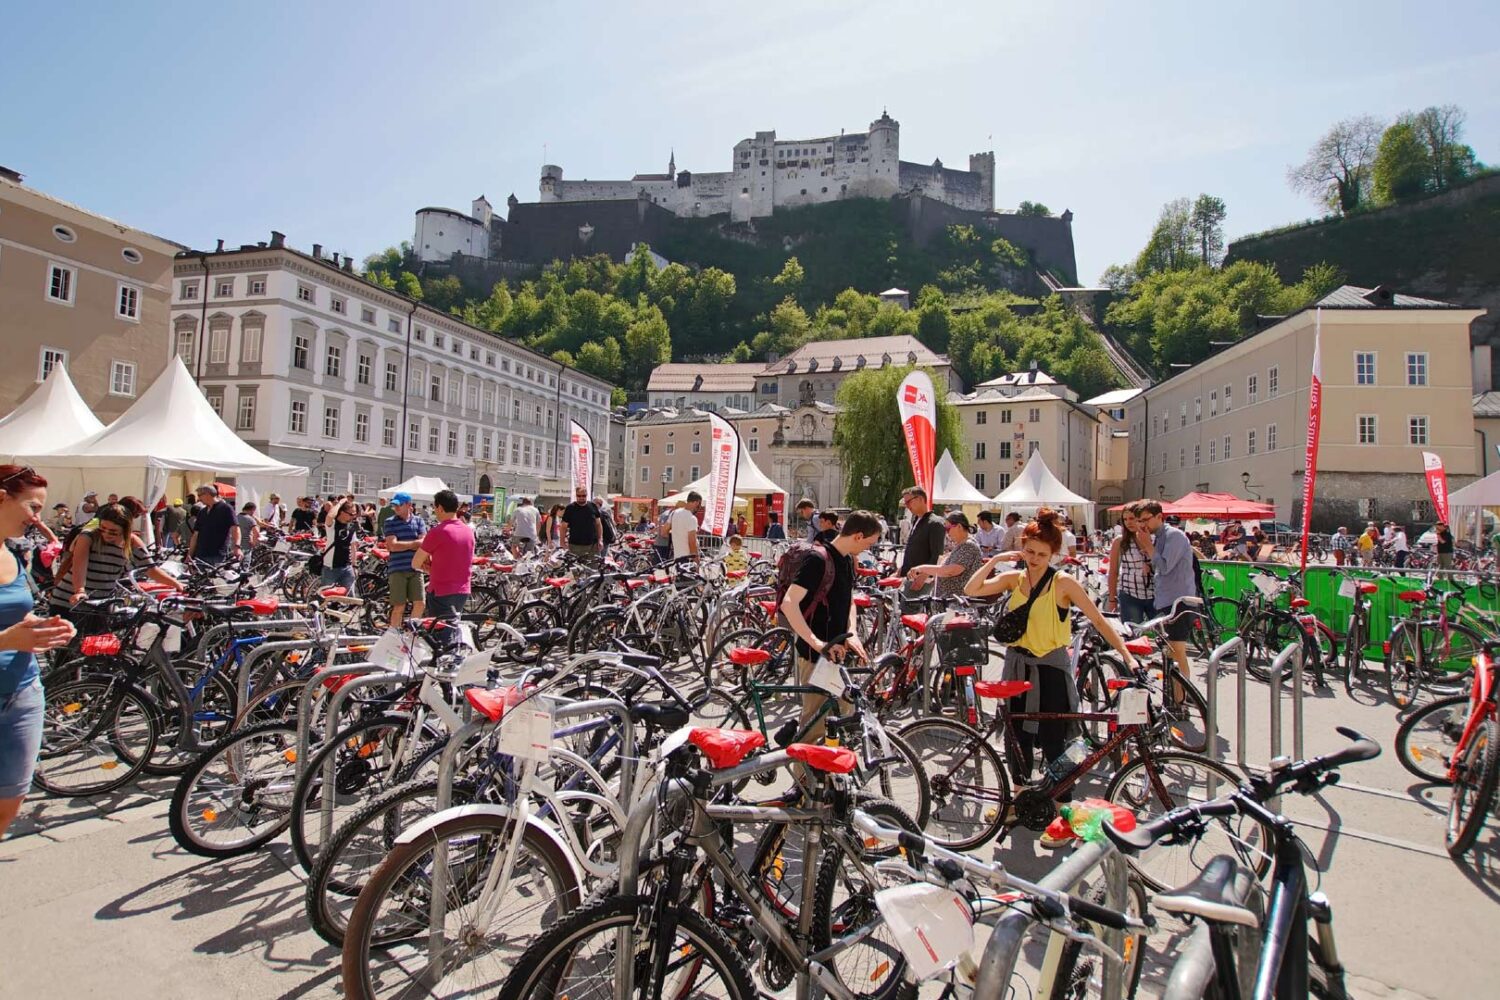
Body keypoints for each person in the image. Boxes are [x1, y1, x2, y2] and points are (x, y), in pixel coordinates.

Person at [964, 508, 1139, 847]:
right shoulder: (1015, 578)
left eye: (1041, 555)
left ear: (1053, 555)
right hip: (1017, 666)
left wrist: (1127, 656)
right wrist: (996, 559)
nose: (1033, 559)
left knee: (1056, 742)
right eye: (1029, 551)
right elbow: (973, 588)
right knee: (1016, 738)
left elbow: (1099, 620)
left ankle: (1062, 815)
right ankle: (1019, 800)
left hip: (1050, 669)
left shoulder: (1063, 583)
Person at [0, 465, 77, 838]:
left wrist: (41, 626)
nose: (37, 518)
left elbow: (15, 615)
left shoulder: (11, 553)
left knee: (9, 802)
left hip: (23, 692)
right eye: (32, 507)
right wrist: (6, 640)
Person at [779, 510, 884, 745]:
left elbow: (849, 600)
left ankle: (829, 765)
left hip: (838, 654)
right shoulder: (818, 559)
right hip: (816, 657)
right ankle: (802, 769)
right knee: (814, 726)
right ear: (858, 536)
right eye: (869, 543)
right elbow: (789, 603)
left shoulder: (846, 559)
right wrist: (818, 644)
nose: (868, 549)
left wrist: (852, 633)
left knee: (841, 718)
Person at [49, 503, 180, 613]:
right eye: (102, 528)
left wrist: (177, 585)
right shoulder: (88, 537)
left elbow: (151, 570)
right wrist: (79, 590)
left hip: (101, 605)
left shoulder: (132, 542)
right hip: (68, 601)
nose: (106, 534)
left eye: (113, 532)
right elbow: (79, 567)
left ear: (125, 530)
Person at [1131, 501, 1196, 691]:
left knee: (1177, 651)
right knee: (1170, 653)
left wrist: (1148, 546)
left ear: (1160, 516)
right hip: (1166, 600)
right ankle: (1175, 697)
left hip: (1179, 601)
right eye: (1139, 521)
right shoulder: (1159, 537)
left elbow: (1165, 567)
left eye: (1145, 520)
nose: (1143, 525)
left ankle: (1181, 698)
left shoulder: (1173, 535)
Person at [413, 490, 475, 618]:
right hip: (463, 589)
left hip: (441, 590)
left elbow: (415, 563)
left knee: (440, 628)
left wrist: (429, 567)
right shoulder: (468, 531)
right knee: (453, 625)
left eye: (434, 507)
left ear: (440, 508)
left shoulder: (437, 532)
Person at [906, 511, 985, 600]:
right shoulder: (962, 545)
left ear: (959, 526)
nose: (947, 533)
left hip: (957, 604)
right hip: (949, 602)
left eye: (948, 529)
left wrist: (922, 568)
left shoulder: (968, 546)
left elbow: (950, 571)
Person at [383, 492, 426, 627]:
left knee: (420, 603)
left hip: (416, 568)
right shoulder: (390, 522)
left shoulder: (419, 521)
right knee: (399, 606)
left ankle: (411, 632)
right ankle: (394, 633)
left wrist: (403, 545)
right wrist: (414, 544)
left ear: (408, 505)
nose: (396, 508)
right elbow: (392, 546)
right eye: (394, 505)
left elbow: (423, 543)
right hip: (397, 568)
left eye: (399, 505)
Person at [1106, 506, 1154, 624]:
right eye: (1125, 519)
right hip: (1130, 594)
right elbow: (1113, 572)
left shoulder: (1154, 538)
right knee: (1133, 632)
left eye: (1131, 518)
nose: (1128, 522)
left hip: (1155, 594)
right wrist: (1112, 600)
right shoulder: (1120, 541)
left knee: (1161, 632)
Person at [898, 487, 945, 588]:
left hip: (922, 581)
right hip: (909, 577)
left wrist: (923, 576)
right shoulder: (917, 520)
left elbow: (937, 555)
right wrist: (900, 570)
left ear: (920, 499)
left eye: (909, 502)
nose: (907, 506)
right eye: (905, 503)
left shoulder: (935, 523)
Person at [187, 484, 239, 566]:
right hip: (201, 555)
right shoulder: (202, 512)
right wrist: (189, 554)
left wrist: (237, 547)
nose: (199, 498)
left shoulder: (226, 508)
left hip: (218, 555)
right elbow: (195, 535)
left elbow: (235, 528)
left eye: (200, 495)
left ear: (207, 494)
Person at [319, 498, 362, 592]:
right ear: (342, 512)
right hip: (331, 568)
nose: (353, 517)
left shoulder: (351, 526)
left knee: (350, 597)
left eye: (354, 514)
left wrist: (354, 565)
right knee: (326, 596)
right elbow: (330, 516)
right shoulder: (333, 525)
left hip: (347, 567)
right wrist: (340, 503)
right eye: (351, 514)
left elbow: (353, 546)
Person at [560, 487, 604, 563]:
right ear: (576, 495)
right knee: (576, 568)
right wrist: (562, 542)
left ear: (587, 495)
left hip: (592, 546)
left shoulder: (593, 506)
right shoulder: (570, 508)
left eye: (583, 495)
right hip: (575, 546)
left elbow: (598, 524)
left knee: (593, 568)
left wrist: (600, 540)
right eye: (579, 495)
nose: (581, 497)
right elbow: (563, 527)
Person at [670, 492, 703, 561]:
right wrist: (696, 560)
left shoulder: (675, 513)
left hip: (677, 556)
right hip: (687, 558)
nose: (699, 507)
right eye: (699, 504)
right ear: (696, 502)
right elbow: (692, 542)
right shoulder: (691, 518)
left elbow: (664, 531)